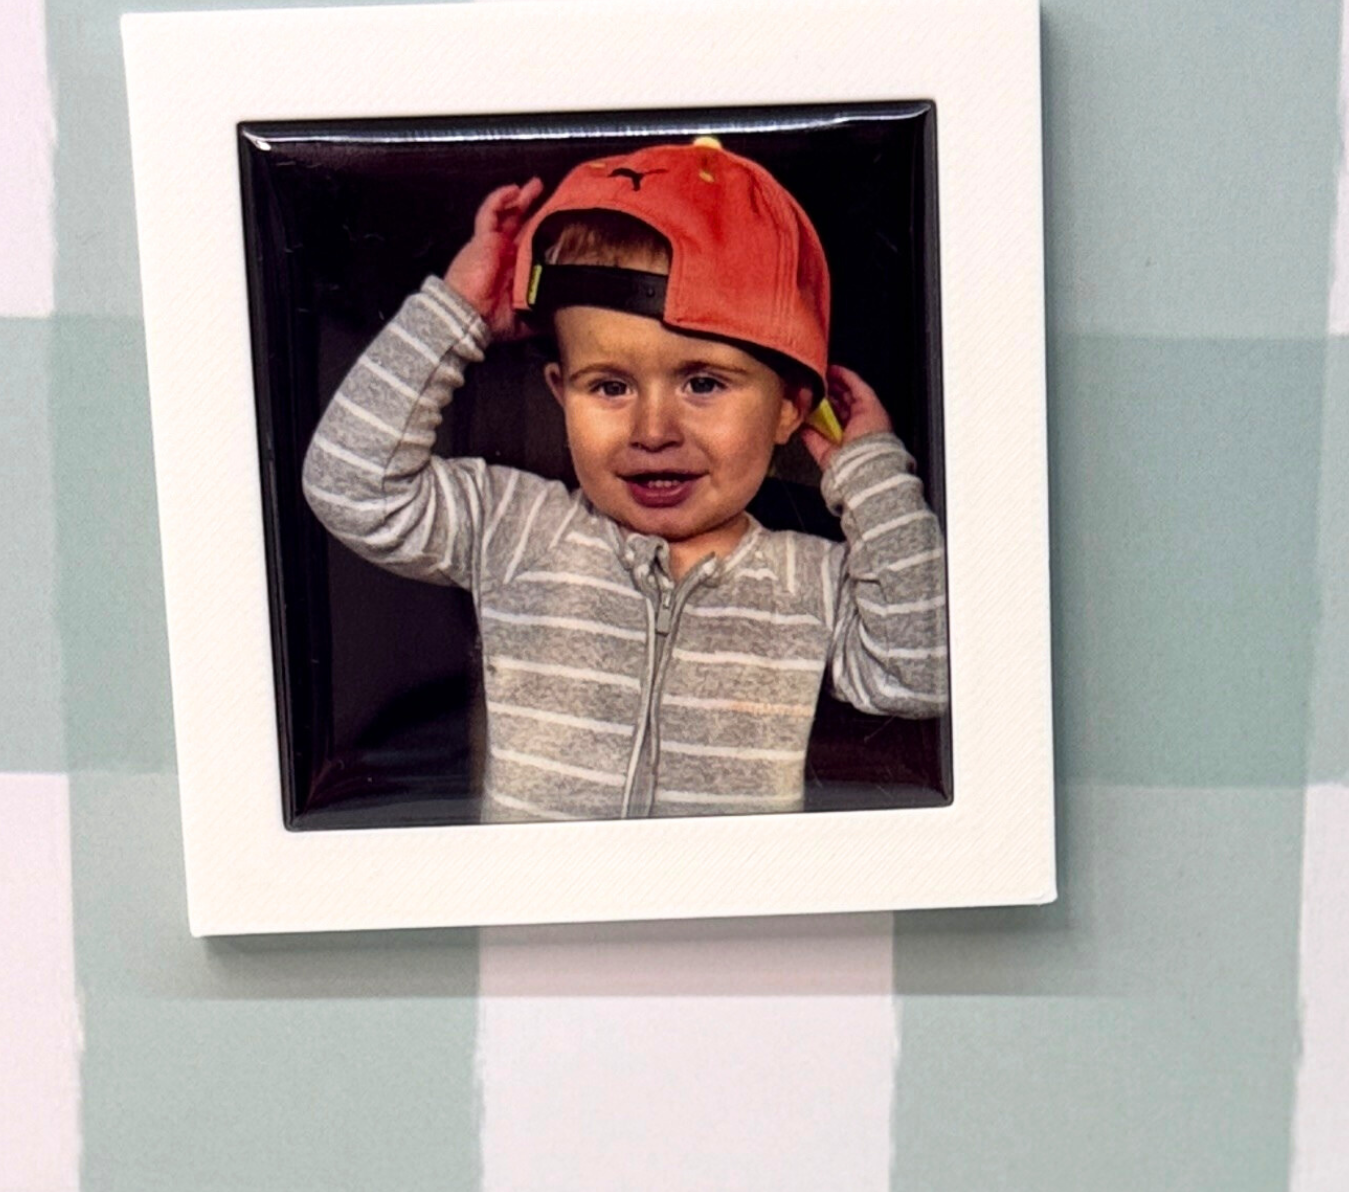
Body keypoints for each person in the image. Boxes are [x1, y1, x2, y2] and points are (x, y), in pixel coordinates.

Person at [303, 137, 947, 822]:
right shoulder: (516, 527)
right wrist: (453, 312)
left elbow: (923, 670)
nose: (652, 429)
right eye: (609, 385)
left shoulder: (810, 581)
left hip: (735, 923)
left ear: (790, 406)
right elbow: (351, 483)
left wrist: (870, 471)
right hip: (544, 917)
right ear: (560, 392)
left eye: (702, 382)